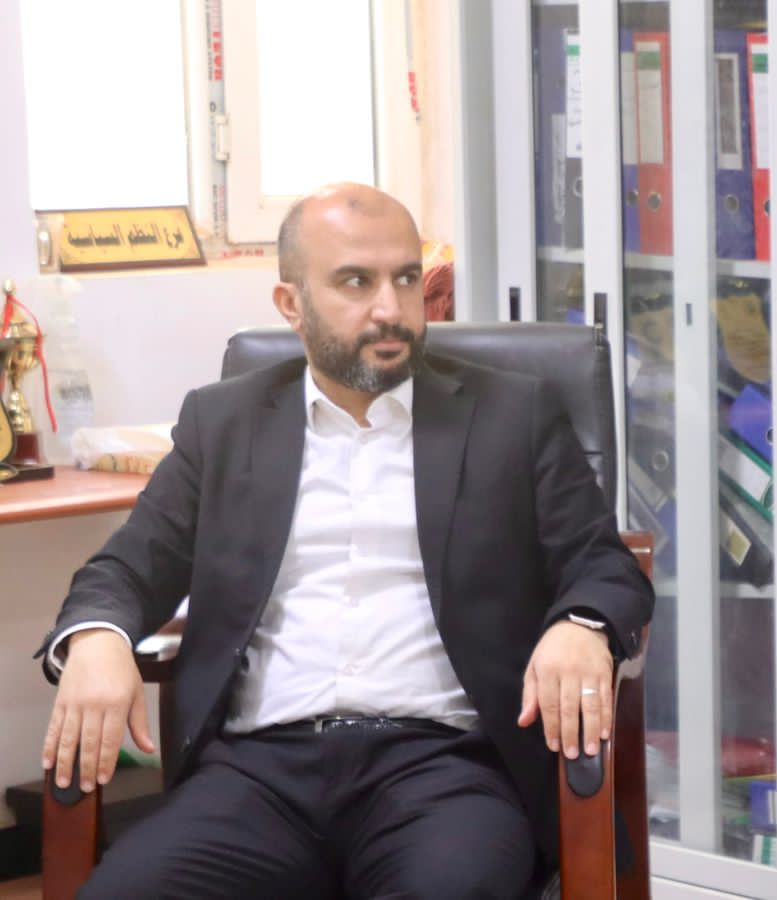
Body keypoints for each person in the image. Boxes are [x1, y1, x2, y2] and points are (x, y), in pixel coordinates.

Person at [35, 183, 653, 898]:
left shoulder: (512, 415)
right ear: (291, 304)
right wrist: (99, 638)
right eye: (356, 282)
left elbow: (604, 565)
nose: (390, 308)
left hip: (446, 773)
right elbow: (126, 569)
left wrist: (581, 625)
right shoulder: (223, 423)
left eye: (406, 279)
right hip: (256, 777)